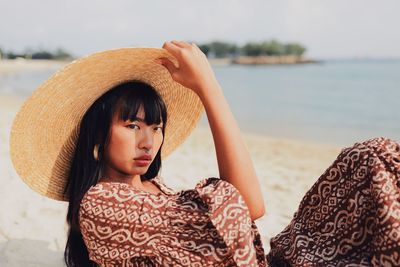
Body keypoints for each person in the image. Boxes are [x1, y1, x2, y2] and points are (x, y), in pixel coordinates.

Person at [9, 40, 399, 266]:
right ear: (97, 136)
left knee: (373, 157)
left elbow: (242, 215)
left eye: (156, 127)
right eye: (132, 126)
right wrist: (210, 89)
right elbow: (248, 206)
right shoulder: (101, 203)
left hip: (270, 258)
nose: (148, 141)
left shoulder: (155, 187)